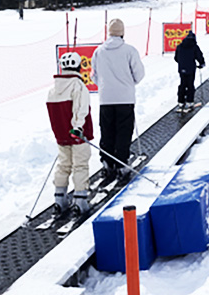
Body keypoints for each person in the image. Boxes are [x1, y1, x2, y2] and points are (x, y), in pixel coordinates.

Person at [91, 18, 145, 185]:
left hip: (105, 99)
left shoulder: (99, 51)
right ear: (122, 32)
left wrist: (104, 85)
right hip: (125, 98)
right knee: (123, 131)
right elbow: (139, 74)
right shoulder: (129, 50)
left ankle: (107, 163)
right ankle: (121, 164)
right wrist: (128, 84)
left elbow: (93, 75)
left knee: (107, 131)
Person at [47, 51, 94, 214]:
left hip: (61, 135)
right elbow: (81, 109)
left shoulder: (53, 90)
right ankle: (80, 200)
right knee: (80, 165)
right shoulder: (78, 85)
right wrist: (78, 127)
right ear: (79, 66)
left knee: (64, 164)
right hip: (77, 134)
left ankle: (60, 199)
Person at [174, 31, 205, 112]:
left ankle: (180, 101)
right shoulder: (194, 46)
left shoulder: (180, 46)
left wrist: (182, 62)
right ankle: (189, 102)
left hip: (181, 68)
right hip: (191, 68)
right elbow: (199, 56)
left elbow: (176, 58)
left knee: (182, 84)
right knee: (190, 84)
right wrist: (201, 63)